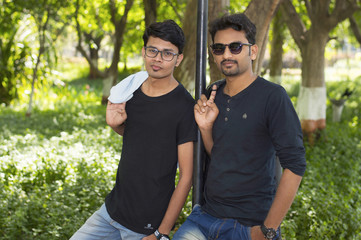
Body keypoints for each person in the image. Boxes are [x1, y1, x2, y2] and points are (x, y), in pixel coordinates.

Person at [173, 13, 306, 240]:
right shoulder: (212, 94)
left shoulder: (273, 96)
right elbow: (219, 154)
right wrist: (206, 128)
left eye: (235, 47)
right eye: (219, 48)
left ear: (252, 51)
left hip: (249, 225)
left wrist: (268, 231)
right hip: (205, 218)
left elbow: (295, 166)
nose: (226, 54)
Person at [70, 20, 197, 240]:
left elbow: (186, 176)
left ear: (179, 59)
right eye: (153, 50)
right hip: (111, 211)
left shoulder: (185, 107)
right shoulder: (131, 91)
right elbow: (143, 139)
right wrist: (117, 125)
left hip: (145, 225)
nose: (158, 58)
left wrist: (161, 232)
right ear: (143, 52)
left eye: (168, 53)